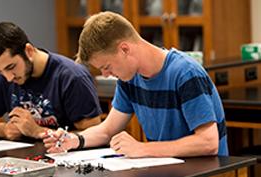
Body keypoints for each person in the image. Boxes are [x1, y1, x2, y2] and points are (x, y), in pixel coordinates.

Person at [42, 11, 228, 158]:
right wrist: (75, 140)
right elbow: (107, 130)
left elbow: (208, 143)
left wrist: (142, 148)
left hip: (203, 170)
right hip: (164, 167)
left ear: (125, 49)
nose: (106, 75)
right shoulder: (129, 79)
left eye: (106, 67)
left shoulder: (185, 73)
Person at [0, 22, 102, 140]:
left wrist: (38, 131)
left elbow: (96, 134)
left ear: (28, 51)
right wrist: (3, 129)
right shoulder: (4, 76)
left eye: (11, 67)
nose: (9, 78)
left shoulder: (72, 77)